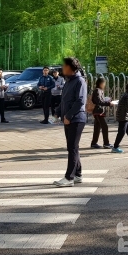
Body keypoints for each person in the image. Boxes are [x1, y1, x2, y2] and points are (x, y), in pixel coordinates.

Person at [53, 57, 87, 187]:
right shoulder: (68, 81)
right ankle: (78, 174)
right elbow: (64, 101)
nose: (62, 68)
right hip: (68, 118)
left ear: (71, 68)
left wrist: (68, 115)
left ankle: (69, 178)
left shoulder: (80, 81)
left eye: (64, 66)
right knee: (73, 147)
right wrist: (57, 112)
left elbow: (80, 101)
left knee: (72, 148)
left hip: (76, 119)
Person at [90, 78, 114, 149]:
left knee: (97, 127)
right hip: (98, 112)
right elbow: (99, 101)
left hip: (99, 111)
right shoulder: (97, 90)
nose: (104, 85)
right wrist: (108, 103)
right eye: (104, 83)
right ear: (101, 83)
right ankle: (106, 143)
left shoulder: (100, 91)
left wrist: (107, 100)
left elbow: (100, 100)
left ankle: (94, 143)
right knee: (104, 127)